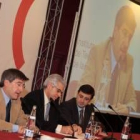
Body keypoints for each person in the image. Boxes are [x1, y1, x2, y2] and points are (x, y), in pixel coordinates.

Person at [77, 6, 137, 114]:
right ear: (115, 30)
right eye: (124, 33)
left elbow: (132, 100)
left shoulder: (129, 61)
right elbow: (84, 91)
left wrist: (127, 108)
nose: (126, 43)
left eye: (130, 37)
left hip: (113, 122)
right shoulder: (98, 52)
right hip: (93, 116)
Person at [0, 68, 29, 133]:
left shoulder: (17, 101)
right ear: (6, 83)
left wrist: (32, 127)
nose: (21, 89)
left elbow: (22, 120)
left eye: (23, 86)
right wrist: (15, 128)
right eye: (18, 84)